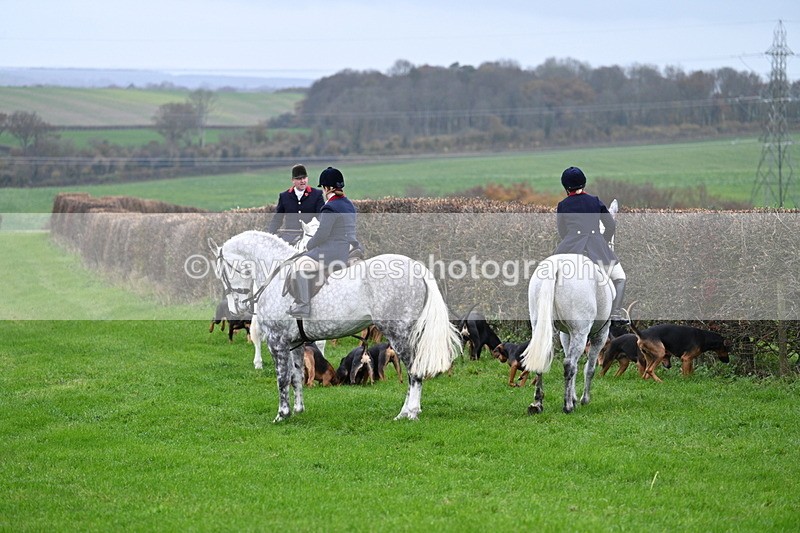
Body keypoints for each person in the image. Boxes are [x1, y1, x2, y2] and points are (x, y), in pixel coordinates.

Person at [554, 166, 629, 325]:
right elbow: (610, 226)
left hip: (569, 247)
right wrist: (603, 242)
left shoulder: (563, 205)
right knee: (620, 278)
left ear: (566, 187)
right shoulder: (595, 201)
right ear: (584, 183)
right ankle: (615, 314)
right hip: (596, 248)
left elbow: (562, 231)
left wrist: (571, 243)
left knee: (548, 274)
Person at [287, 166, 359, 318]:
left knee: (299, 264)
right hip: (351, 248)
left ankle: (303, 305)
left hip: (334, 252)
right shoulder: (349, 204)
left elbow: (322, 235)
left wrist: (308, 245)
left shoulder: (330, 207)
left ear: (327, 188)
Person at [267, 164, 324, 245]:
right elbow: (277, 219)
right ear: (293, 180)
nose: (302, 181)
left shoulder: (316, 194)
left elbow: (321, 216)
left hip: (310, 236)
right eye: (299, 179)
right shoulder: (284, 196)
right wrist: (269, 236)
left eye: (304, 178)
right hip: (290, 237)